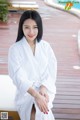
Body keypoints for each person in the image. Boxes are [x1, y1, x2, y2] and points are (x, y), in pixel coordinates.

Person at [8, 10, 57, 120]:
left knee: (41, 108)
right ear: (21, 28)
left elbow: (51, 70)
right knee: (35, 110)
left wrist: (44, 88)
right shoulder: (15, 49)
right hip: (26, 91)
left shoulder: (46, 47)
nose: (31, 31)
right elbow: (17, 77)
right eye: (27, 27)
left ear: (39, 28)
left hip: (45, 89)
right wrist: (36, 95)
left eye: (35, 27)